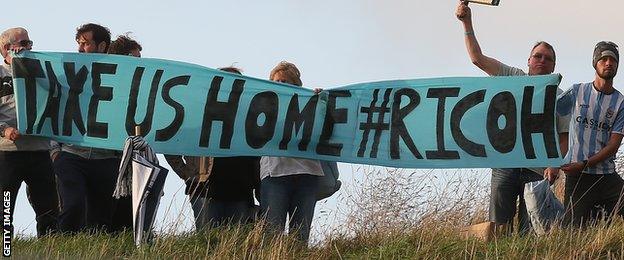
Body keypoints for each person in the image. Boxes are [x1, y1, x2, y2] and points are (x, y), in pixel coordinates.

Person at [456, 1, 568, 234]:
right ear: (528, 60)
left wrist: (554, 164)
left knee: (532, 230)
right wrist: (466, 22)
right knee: (498, 228)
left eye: (547, 58)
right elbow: (478, 59)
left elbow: (564, 135)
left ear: (554, 65)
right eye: (537, 56)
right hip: (505, 162)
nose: (541, 60)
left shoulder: (559, 96)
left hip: (537, 170)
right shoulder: (513, 77)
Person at [165, 67, 261, 230]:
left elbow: (257, 156)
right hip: (205, 191)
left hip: (241, 192)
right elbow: (171, 143)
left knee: (235, 249)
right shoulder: (198, 115)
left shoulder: (249, 118)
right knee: (208, 244)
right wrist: (188, 173)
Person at [52, 23, 121, 233]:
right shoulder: (67, 76)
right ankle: (61, 249)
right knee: (73, 206)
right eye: (79, 44)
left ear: (102, 46)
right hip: (72, 154)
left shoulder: (121, 78)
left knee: (101, 217)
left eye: (86, 43)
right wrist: (55, 150)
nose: (81, 49)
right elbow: (53, 107)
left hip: (106, 157)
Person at [557, 41, 624, 227]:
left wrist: (585, 163)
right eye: (604, 59)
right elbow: (549, 113)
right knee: (572, 232)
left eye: (613, 60)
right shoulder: (577, 91)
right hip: (578, 177)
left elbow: (613, 145)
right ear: (595, 63)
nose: (608, 63)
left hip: (606, 175)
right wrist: (553, 159)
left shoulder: (620, 102)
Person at [0, 27, 59, 237]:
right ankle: (5, 251)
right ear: (7, 48)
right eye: (23, 43)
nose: (29, 47)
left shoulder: (42, 72)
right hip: (8, 154)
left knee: (49, 211)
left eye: (29, 43)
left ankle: (52, 253)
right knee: (4, 212)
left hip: (39, 150)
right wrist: (4, 130)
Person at [260, 61, 323, 243]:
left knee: (300, 236)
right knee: (272, 234)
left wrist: (324, 103)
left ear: (296, 85)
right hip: (275, 175)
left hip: (307, 174)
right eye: (276, 81)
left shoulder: (312, 104)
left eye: (285, 81)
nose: (280, 85)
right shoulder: (261, 106)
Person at [106, 34, 143, 232]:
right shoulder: (103, 87)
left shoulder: (142, 90)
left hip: (133, 164)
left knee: (131, 222)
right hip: (107, 160)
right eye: (133, 58)